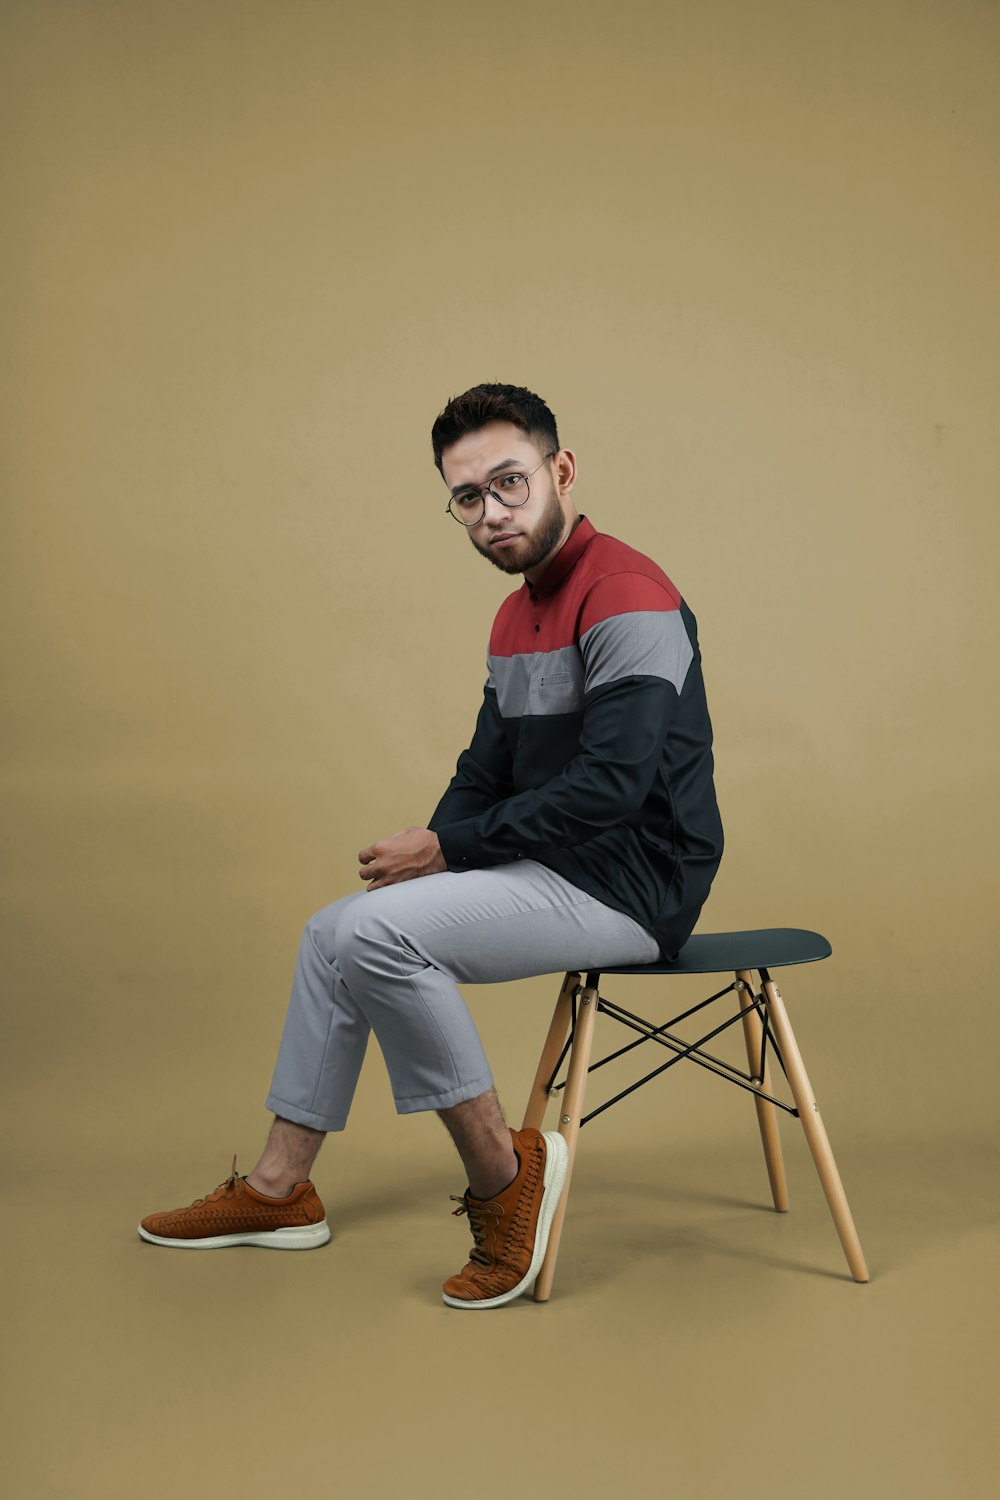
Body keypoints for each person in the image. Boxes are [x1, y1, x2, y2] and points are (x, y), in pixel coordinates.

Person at [138, 383, 725, 1308]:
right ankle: (278, 1191)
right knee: (338, 929)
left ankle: (505, 1181)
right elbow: (485, 772)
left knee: (378, 937)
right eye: (468, 497)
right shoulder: (514, 614)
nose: (492, 514)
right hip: (556, 866)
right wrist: (419, 856)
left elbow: (613, 788)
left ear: (560, 470)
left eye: (511, 484)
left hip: (634, 883)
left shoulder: (627, 595)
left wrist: (447, 855)